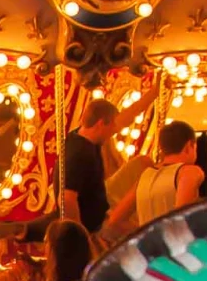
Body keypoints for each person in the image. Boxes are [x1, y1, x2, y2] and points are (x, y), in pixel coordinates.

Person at [58, 95, 149, 236]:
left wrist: (154, 92)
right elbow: (67, 198)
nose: (115, 130)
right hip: (94, 227)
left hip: (101, 213)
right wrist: (80, 236)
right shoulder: (80, 153)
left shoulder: (78, 136)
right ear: (101, 123)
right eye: (112, 126)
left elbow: (123, 120)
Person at [111, 120, 205, 237]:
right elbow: (181, 216)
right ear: (189, 146)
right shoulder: (189, 172)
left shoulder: (145, 175)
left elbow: (115, 220)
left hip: (151, 249)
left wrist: (147, 233)